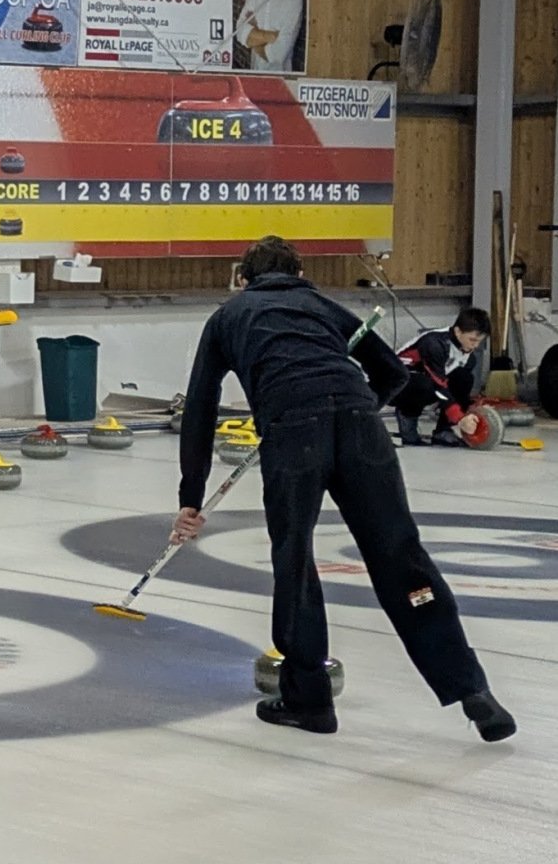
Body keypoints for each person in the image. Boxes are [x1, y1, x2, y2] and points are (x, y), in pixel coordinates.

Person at [174, 235, 514, 740]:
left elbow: (200, 408)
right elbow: (393, 371)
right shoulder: (322, 305)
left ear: (243, 278)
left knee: (295, 560)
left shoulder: (228, 316)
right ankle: (472, 690)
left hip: (293, 433)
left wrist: (191, 497)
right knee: (401, 557)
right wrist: (354, 406)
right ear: (300, 273)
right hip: (362, 428)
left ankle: (309, 701)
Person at [392, 308, 490, 447]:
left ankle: (443, 431)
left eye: (480, 341)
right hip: (394, 384)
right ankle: (407, 418)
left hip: (428, 381)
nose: (476, 345)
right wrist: (459, 418)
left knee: (464, 378)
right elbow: (438, 385)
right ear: (458, 331)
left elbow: (448, 386)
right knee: (424, 385)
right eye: (472, 340)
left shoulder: (468, 357)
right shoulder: (434, 344)